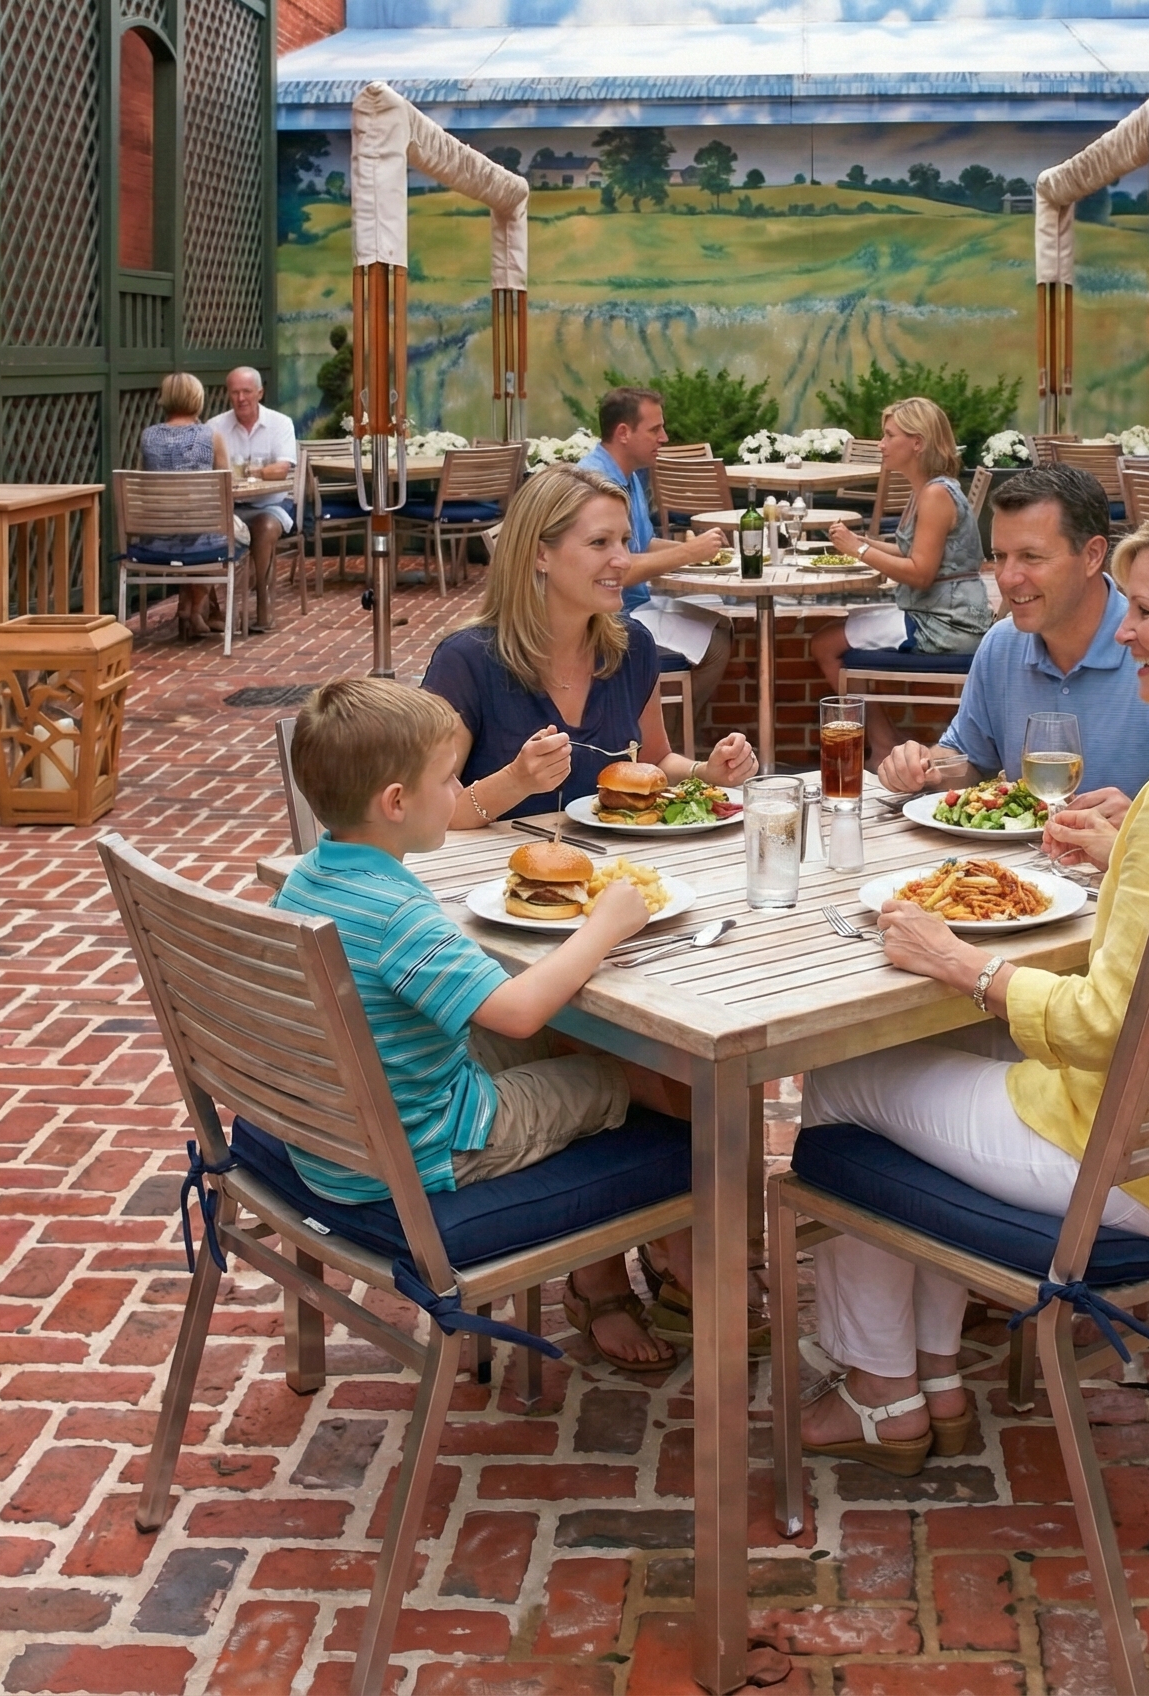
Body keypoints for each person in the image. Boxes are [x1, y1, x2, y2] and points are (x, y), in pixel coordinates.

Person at [791, 502, 1149, 1475]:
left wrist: (959, 962)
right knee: (945, 1059)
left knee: (843, 1079)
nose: (1124, 629)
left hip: (1136, 1169)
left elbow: (1102, 1025)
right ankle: (929, 1373)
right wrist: (1128, 842)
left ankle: (883, 1389)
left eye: (1143, 612)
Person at [270, 678, 695, 1371]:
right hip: (433, 1145)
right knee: (639, 1072)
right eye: (447, 780)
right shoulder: (398, 914)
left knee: (575, 1037)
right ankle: (694, 1254)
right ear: (396, 803)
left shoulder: (309, 877)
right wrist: (606, 926)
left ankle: (668, 1252)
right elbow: (521, 1015)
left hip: (336, 1137)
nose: (457, 792)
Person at [422, 464, 760, 827]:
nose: (623, 560)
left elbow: (656, 761)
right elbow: (428, 812)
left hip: (614, 873)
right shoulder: (465, 661)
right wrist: (515, 781)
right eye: (600, 542)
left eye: (625, 541)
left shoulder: (633, 647)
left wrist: (706, 772)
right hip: (496, 878)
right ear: (540, 555)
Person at [876, 463, 1149, 805]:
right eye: (1000, 556)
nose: (1008, 577)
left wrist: (1133, 828)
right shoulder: (1001, 644)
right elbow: (968, 761)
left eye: (1031, 557)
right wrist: (924, 766)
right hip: (1017, 859)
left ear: (1092, 555)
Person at [816, 396, 996, 752]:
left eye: (888, 435)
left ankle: (883, 744)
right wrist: (861, 542)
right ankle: (886, 741)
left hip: (945, 624)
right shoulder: (929, 489)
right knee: (833, 634)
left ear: (917, 442)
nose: (880, 444)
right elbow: (912, 554)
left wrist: (859, 550)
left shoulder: (934, 495)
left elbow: (920, 573)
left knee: (825, 644)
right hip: (939, 613)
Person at [578, 387, 735, 736]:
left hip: (632, 604)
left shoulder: (628, 475)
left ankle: (672, 743)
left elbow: (642, 544)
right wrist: (689, 553)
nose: (664, 438)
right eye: (654, 430)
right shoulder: (595, 485)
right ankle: (670, 747)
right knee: (716, 646)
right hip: (606, 618)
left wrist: (716, 555)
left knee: (722, 626)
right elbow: (613, 569)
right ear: (623, 432)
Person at [138, 371, 243, 640]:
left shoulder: (148, 437)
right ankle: (196, 606)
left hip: (155, 541)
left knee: (199, 530)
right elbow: (225, 492)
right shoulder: (211, 437)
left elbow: (142, 485)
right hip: (201, 541)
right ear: (198, 399)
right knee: (238, 535)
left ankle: (189, 607)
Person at [210, 366, 297, 632]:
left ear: (260, 392)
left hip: (271, 503)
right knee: (201, 525)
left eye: (247, 391)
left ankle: (263, 603)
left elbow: (282, 468)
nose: (241, 398)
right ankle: (209, 609)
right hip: (231, 506)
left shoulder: (280, 423)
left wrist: (251, 471)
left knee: (265, 526)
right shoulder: (214, 427)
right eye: (235, 392)